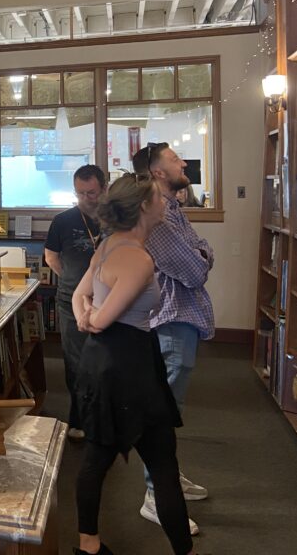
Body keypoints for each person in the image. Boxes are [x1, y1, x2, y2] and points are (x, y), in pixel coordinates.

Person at [71, 174, 194, 555]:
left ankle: (88, 544)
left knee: (95, 458)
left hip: (103, 362)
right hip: (130, 367)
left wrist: (86, 315)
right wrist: (92, 316)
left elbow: (81, 296)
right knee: (163, 466)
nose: (166, 201)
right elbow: (104, 318)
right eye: (159, 197)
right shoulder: (137, 258)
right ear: (144, 207)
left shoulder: (108, 245)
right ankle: (183, 551)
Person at [131, 141, 214, 534]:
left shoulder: (174, 207)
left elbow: (203, 251)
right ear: (159, 172)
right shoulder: (158, 217)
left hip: (183, 319)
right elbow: (195, 269)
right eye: (175, 159)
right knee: (163, 413)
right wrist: (200, 257)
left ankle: (168, 478)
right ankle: (155, 494)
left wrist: (201, 255)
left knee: (171, 410)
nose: (183, 162)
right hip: (170, 321)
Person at [44, 164, 106, 441]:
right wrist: (76, 284)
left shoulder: (115, 219)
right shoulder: (63, 220)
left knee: (106, 360)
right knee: (76, 362)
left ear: (103, 189)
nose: (86, 198)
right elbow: (51, 258)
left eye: (91, 192)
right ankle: (79, 418)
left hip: (109, 298)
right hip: (71, 299)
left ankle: (105, 416)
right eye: (80, 193)